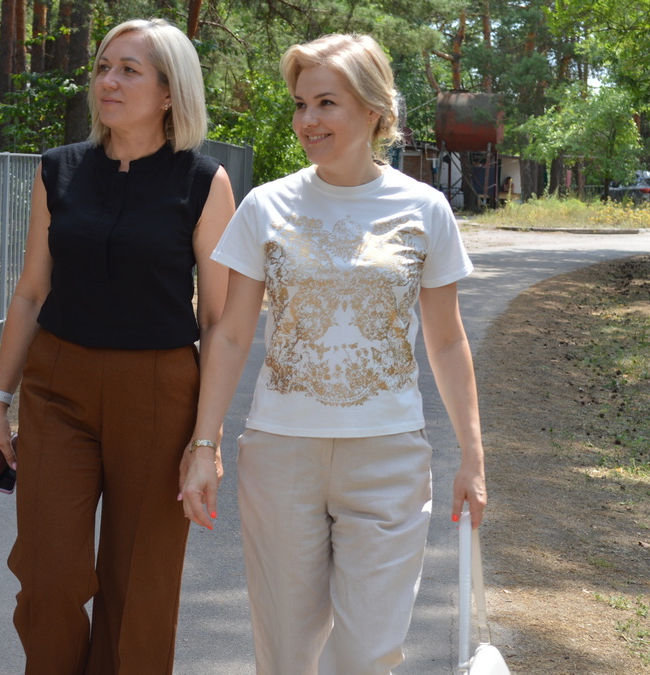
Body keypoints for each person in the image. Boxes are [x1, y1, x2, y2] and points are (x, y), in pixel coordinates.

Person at [179, 33, 488, 674]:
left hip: (388, 458)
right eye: (301, 104)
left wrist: (472, 455)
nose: (307, 120)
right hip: (280, 454)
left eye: (326, 103)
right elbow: (231, 334)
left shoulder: (425, 208)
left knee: (369, 653)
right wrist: (204, 445)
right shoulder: (266, 205)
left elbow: (447, 338)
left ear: (374, 110)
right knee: (287, 654)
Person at [0, 17, 235, 675]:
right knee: (49, 572)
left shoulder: (203, 183)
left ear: (170, 92)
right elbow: (32, 293)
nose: (108, 82)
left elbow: (220, 321)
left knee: (141, 586)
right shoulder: (58, 170)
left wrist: (206, 441)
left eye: (128, 70)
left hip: (160, 391)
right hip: (58, 386)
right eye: (102, 68)